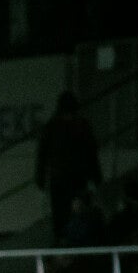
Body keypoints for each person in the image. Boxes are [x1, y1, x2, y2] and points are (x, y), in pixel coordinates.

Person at [35, 91, 101, 244]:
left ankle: (62, 243)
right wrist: (97, 177)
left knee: (61, 216)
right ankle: (76, 243)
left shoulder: (51, 127)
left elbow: (42, 155)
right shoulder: (81, 125)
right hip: (78, 177)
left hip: (59, 178)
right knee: (79, 214)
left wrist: (40, 178)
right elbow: (91, 153)